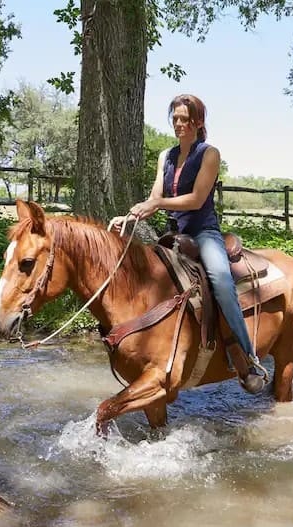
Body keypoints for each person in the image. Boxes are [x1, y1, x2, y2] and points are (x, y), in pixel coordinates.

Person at [109, 94, 267, 394]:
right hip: (173, 232)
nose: (179, 124)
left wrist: (154, 205)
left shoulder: (209, 154)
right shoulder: (166, 156)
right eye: (176, 118)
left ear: (198, 122)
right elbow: (156, 195)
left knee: (220, 280)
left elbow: (196, 199)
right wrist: (130, 215)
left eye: (185, 119)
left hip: (203, 231)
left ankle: (247, 358)